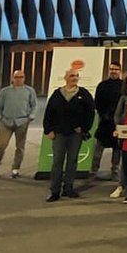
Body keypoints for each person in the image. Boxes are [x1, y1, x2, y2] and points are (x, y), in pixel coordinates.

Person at [43, 68, 95, 202]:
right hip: (59, 134)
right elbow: (49, 113)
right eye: (72, 76)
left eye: (77, 76)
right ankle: (54, 191)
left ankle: (68, 189)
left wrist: (84, 128)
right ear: (66, 78)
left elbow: (90, 113)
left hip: (75, 135)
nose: (75, 78)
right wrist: (48, 130)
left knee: (72, 161)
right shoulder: (57, 94)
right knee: (57, 162)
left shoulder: (83, 94)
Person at [0, 70, 38, 180]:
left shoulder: (29, 91)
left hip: (22, 122)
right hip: (6, 122)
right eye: (16, 77)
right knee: (1, 146)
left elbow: (34, 104)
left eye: (21, 77)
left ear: (24, 78)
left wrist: (31, 117)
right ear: (12, 78)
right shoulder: (5, 91)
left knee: (20, 147)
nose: (19, 79)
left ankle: (15, 169)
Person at [92, 61, 124, 181]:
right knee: (98, 148)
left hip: (118, 122)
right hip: (105, 121)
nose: (114, 71)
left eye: (116, 69)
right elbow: (97, 102)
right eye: (112, 69)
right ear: (109, 70)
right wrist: (103, 114)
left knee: (117, 149)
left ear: (120, 71)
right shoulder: (102, 85)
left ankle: (114, 171)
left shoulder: (123, 85)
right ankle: (93, 172)